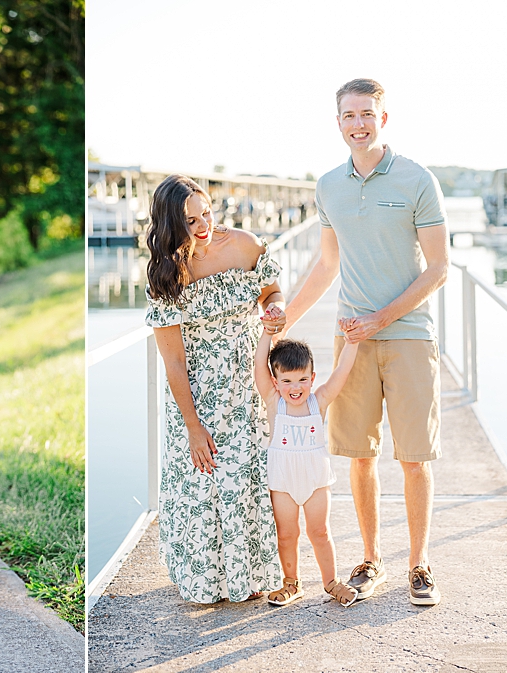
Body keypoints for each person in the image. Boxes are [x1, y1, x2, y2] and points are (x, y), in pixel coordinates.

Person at [284, 78, 449, 606]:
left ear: (384, 119)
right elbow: (327, 265)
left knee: (414, 458)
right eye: (349, 115)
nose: (358, 123)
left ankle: (419, 565)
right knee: (358, 455)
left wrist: (383, 317)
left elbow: (439, 269)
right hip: (351, 338)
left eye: (367, 114)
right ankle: (371, 560)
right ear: (338, 123)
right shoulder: (328, 185)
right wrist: (284, 317)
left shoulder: (417, 179)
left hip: (407, 336)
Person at [144, 173, 287, 603]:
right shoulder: (166, 273)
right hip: (197, 396)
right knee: (203, 486)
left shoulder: (243, 244)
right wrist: (192, 425)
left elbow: (271, 291)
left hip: (247, 385)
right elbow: (172, 359)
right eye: (191, 220)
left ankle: (252, 576)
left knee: (247, 481)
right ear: (171, 224)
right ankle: (211, 583)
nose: (204, 224)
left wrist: (275, 308)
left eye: (206, 212)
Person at [254, 316, 359, 607]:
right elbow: (258, 368)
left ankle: (331, 582)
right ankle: (292, 584)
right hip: (283, 482)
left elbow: (341, 373)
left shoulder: (318, 401)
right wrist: (266, 332)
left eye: (302, 379)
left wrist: (352, 341)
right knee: (287, 534)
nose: (295, 387)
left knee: (320, 532)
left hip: (315, 480)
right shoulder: (274, 402)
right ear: (276, 381)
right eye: (286, 381)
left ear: (312, 377)